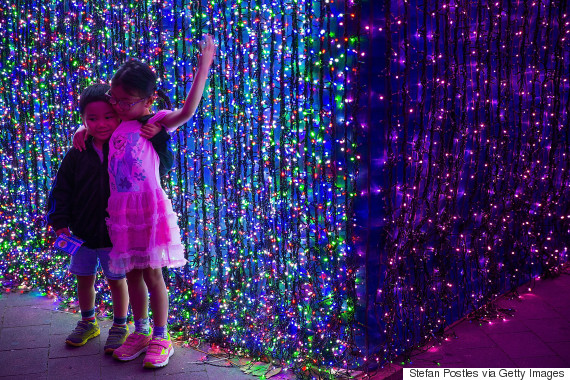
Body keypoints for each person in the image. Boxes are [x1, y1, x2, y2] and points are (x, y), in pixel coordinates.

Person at [73, 34, 216, 368]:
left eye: (126, 101)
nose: (117, 106)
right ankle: (140, 331)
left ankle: (162, 336)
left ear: (149, 99)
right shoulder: (116, 123)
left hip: (148, 208)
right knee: (132, 274)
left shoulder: (152, 122)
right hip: (121, 211)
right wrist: (81, 131)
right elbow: (94, 123)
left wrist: (204, 67)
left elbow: (187, 111)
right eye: (115, 99)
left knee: (153, 275)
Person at [47, 83, 175, 354]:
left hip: (117, 232)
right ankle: (88, 321)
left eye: (108, 117)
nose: (100, 124)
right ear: (82, 119)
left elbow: (161, 165)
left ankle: (121, 325)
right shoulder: (77, 152)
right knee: (84, 277)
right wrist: (60, 224)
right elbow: (62, 188)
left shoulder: (129, 144)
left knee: (119, 280)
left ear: (120, 115)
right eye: (91, 119)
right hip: (81, 233)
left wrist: (159, 137)